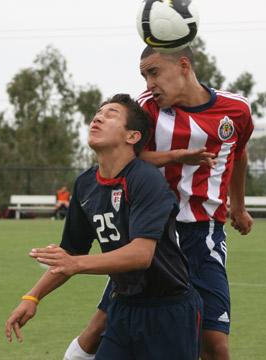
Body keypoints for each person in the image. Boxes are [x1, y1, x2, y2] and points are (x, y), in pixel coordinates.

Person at [66, 46, 253, 360]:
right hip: (154, 234)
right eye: (144, 75)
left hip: (203, 233)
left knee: (216, 345)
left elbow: (239, 152)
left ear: (183, 65)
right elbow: (130, 156)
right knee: (101, 325)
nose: (148, 83)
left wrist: (238, 205)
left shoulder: (236, 110)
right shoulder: (147, 107)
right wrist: (178, 156)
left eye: (153, 72)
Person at [5, 94, 202, 359]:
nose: (97, 117)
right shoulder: (86, 184)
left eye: (110, 114)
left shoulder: (146, 180)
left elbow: (140, 255)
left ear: (132, 136)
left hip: (168, 311)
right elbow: (70, 254)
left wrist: (77, 264)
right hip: (122, 307)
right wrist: (32, 297)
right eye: (98, 113)